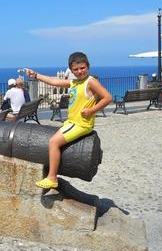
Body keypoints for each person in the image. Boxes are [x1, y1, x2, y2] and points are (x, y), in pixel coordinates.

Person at [25, 52, 112, 189]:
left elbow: (107, 97)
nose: (79, 71)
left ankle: (52, 178)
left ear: (88, 66)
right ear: (71, 70)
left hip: (81, 124)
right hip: (72, 122)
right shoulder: (75, 82)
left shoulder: (91, 82)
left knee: (53, 142)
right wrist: (35, 75)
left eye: (82, 68)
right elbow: (53, 81)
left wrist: (91, 110)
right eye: (76, 69)